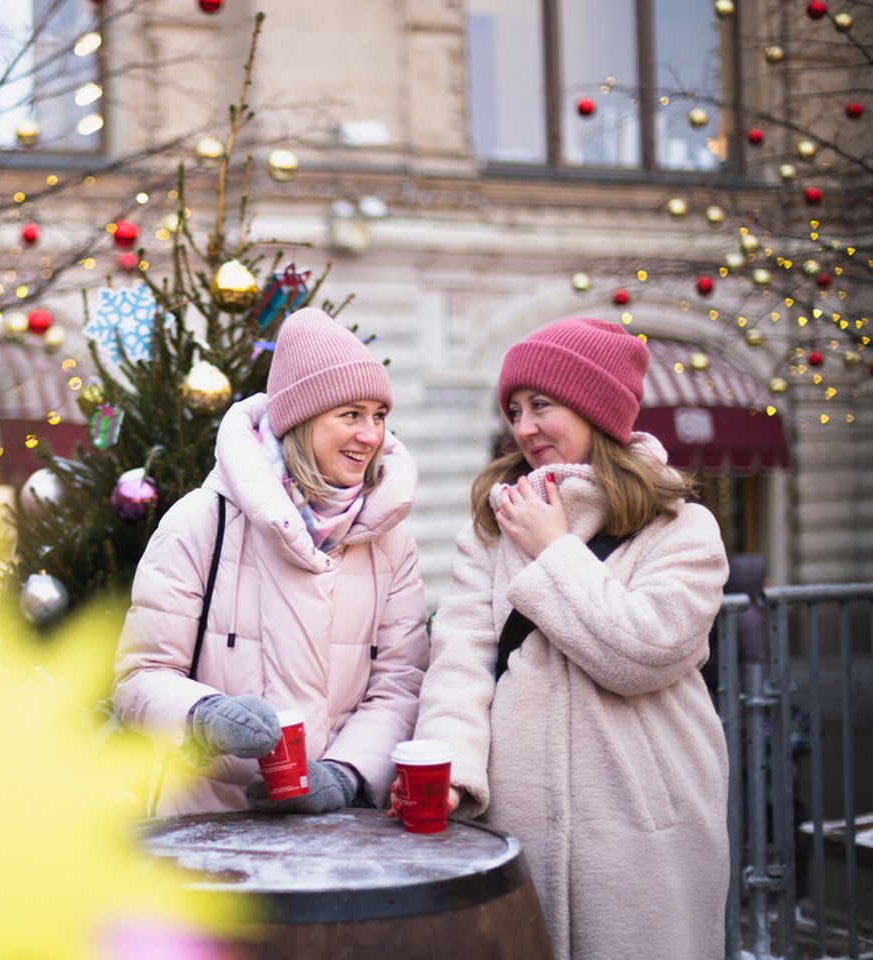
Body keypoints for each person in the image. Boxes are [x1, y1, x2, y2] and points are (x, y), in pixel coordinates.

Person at [414, 317, 730, 960]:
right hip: (514, 824)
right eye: (514, 409)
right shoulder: (491, 529)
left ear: (595, 410)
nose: (523, 427)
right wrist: (450, 768)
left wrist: (553, 548)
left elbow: (642, 654)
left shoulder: (682, 529)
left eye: (542, 405)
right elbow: (462, 660)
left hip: (647, 832)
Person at [113, 307, 428, 816]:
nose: (370, 435)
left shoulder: (390, 540)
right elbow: (141, 677)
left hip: (337, 834)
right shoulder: (200, 521)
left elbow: (400, 684)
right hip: (204, 830)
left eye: (378, 416)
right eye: (350, 415)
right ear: (300, 422)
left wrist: (345, 775)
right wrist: (203, 715)